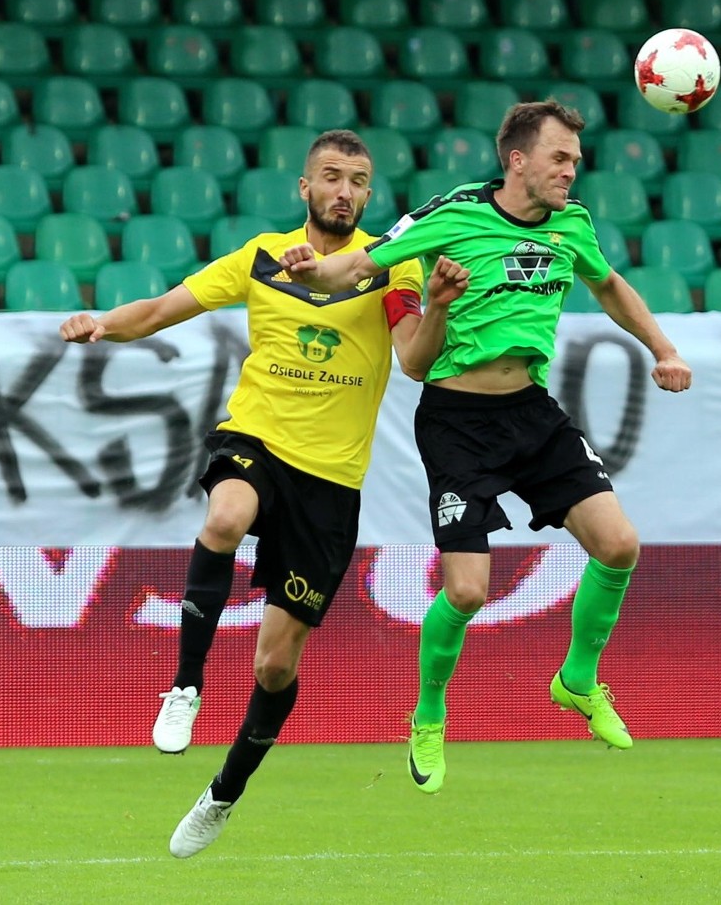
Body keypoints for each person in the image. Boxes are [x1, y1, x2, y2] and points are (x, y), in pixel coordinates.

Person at [59, 129, 470, 853]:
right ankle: (185, 686)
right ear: (304, 189)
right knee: (225, 516)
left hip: (331, 481)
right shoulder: (261, 256)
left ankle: (223, 795)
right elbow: (161, 309)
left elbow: (413, 361)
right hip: (256, 439)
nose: (345, 190)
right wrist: (102, 326)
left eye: (359, 180)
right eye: (332, 177)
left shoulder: (389, 267)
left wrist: (434, 303)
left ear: (369, 196)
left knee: (277, 665)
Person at [279, 101, 693, 795]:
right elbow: (359, 265)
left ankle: (578, 680)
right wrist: (307, 272)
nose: (573, 169)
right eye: (560, 157)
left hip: (532, 414)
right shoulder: (455, 213)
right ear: (518, 160)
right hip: (456, 422)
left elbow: (610, 285)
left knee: (619, 545)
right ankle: (430, 713)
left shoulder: (573, 224)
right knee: (468, 590)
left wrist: (663, 348)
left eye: (576, 159)